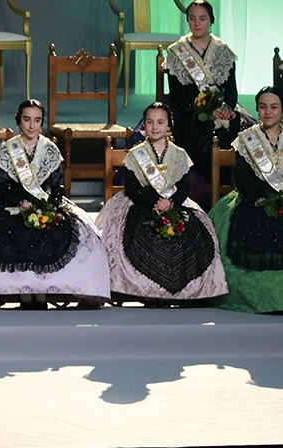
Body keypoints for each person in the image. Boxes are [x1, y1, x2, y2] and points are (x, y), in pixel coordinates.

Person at [0, 99, 111, 309]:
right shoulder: (7, 149)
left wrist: (50, 207)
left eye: (37, 120)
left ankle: (42, 292)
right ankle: (24, 294)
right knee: (4, 226)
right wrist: (20, 203)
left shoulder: (50, 149)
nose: (32, 126)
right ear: (18, 121)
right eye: (27, 120)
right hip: (13, 201)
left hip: (43, 202)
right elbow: (1, 187)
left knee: (70, 227)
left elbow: (58, 187)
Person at [96, 102, 227, 306]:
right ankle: (149, 292)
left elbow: (184, 186)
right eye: (150, 122)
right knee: (139, 232)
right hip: (141, 201)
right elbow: (131, 187)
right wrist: (154, 201)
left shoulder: (179, 154)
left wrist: (171, 202)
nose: (155, 127)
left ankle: (183, 293)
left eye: (160, 122)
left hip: (172, 202)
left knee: (194, 230)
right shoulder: (136, 154)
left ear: (168, 125)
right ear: (144, 125)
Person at [163, 0, 251, 209]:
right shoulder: (176, 52)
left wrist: (227, 108)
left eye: (202, 19)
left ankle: (235, 191)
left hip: (221, 111)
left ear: (211, 20)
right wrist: (204, 108)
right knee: (201, 138)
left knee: (238, 134)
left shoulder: (223, 50)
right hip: (189, 112)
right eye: (192, 19)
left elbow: (231, 90)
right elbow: (177, 95)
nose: (197, 23)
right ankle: (211, 196)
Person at [209, 86, 283, 314]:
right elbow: (242, 178)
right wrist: (263, 198)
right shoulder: (247, 139)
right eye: (263, 107)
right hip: (256, 198)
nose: (268, 112)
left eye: (274, 107)